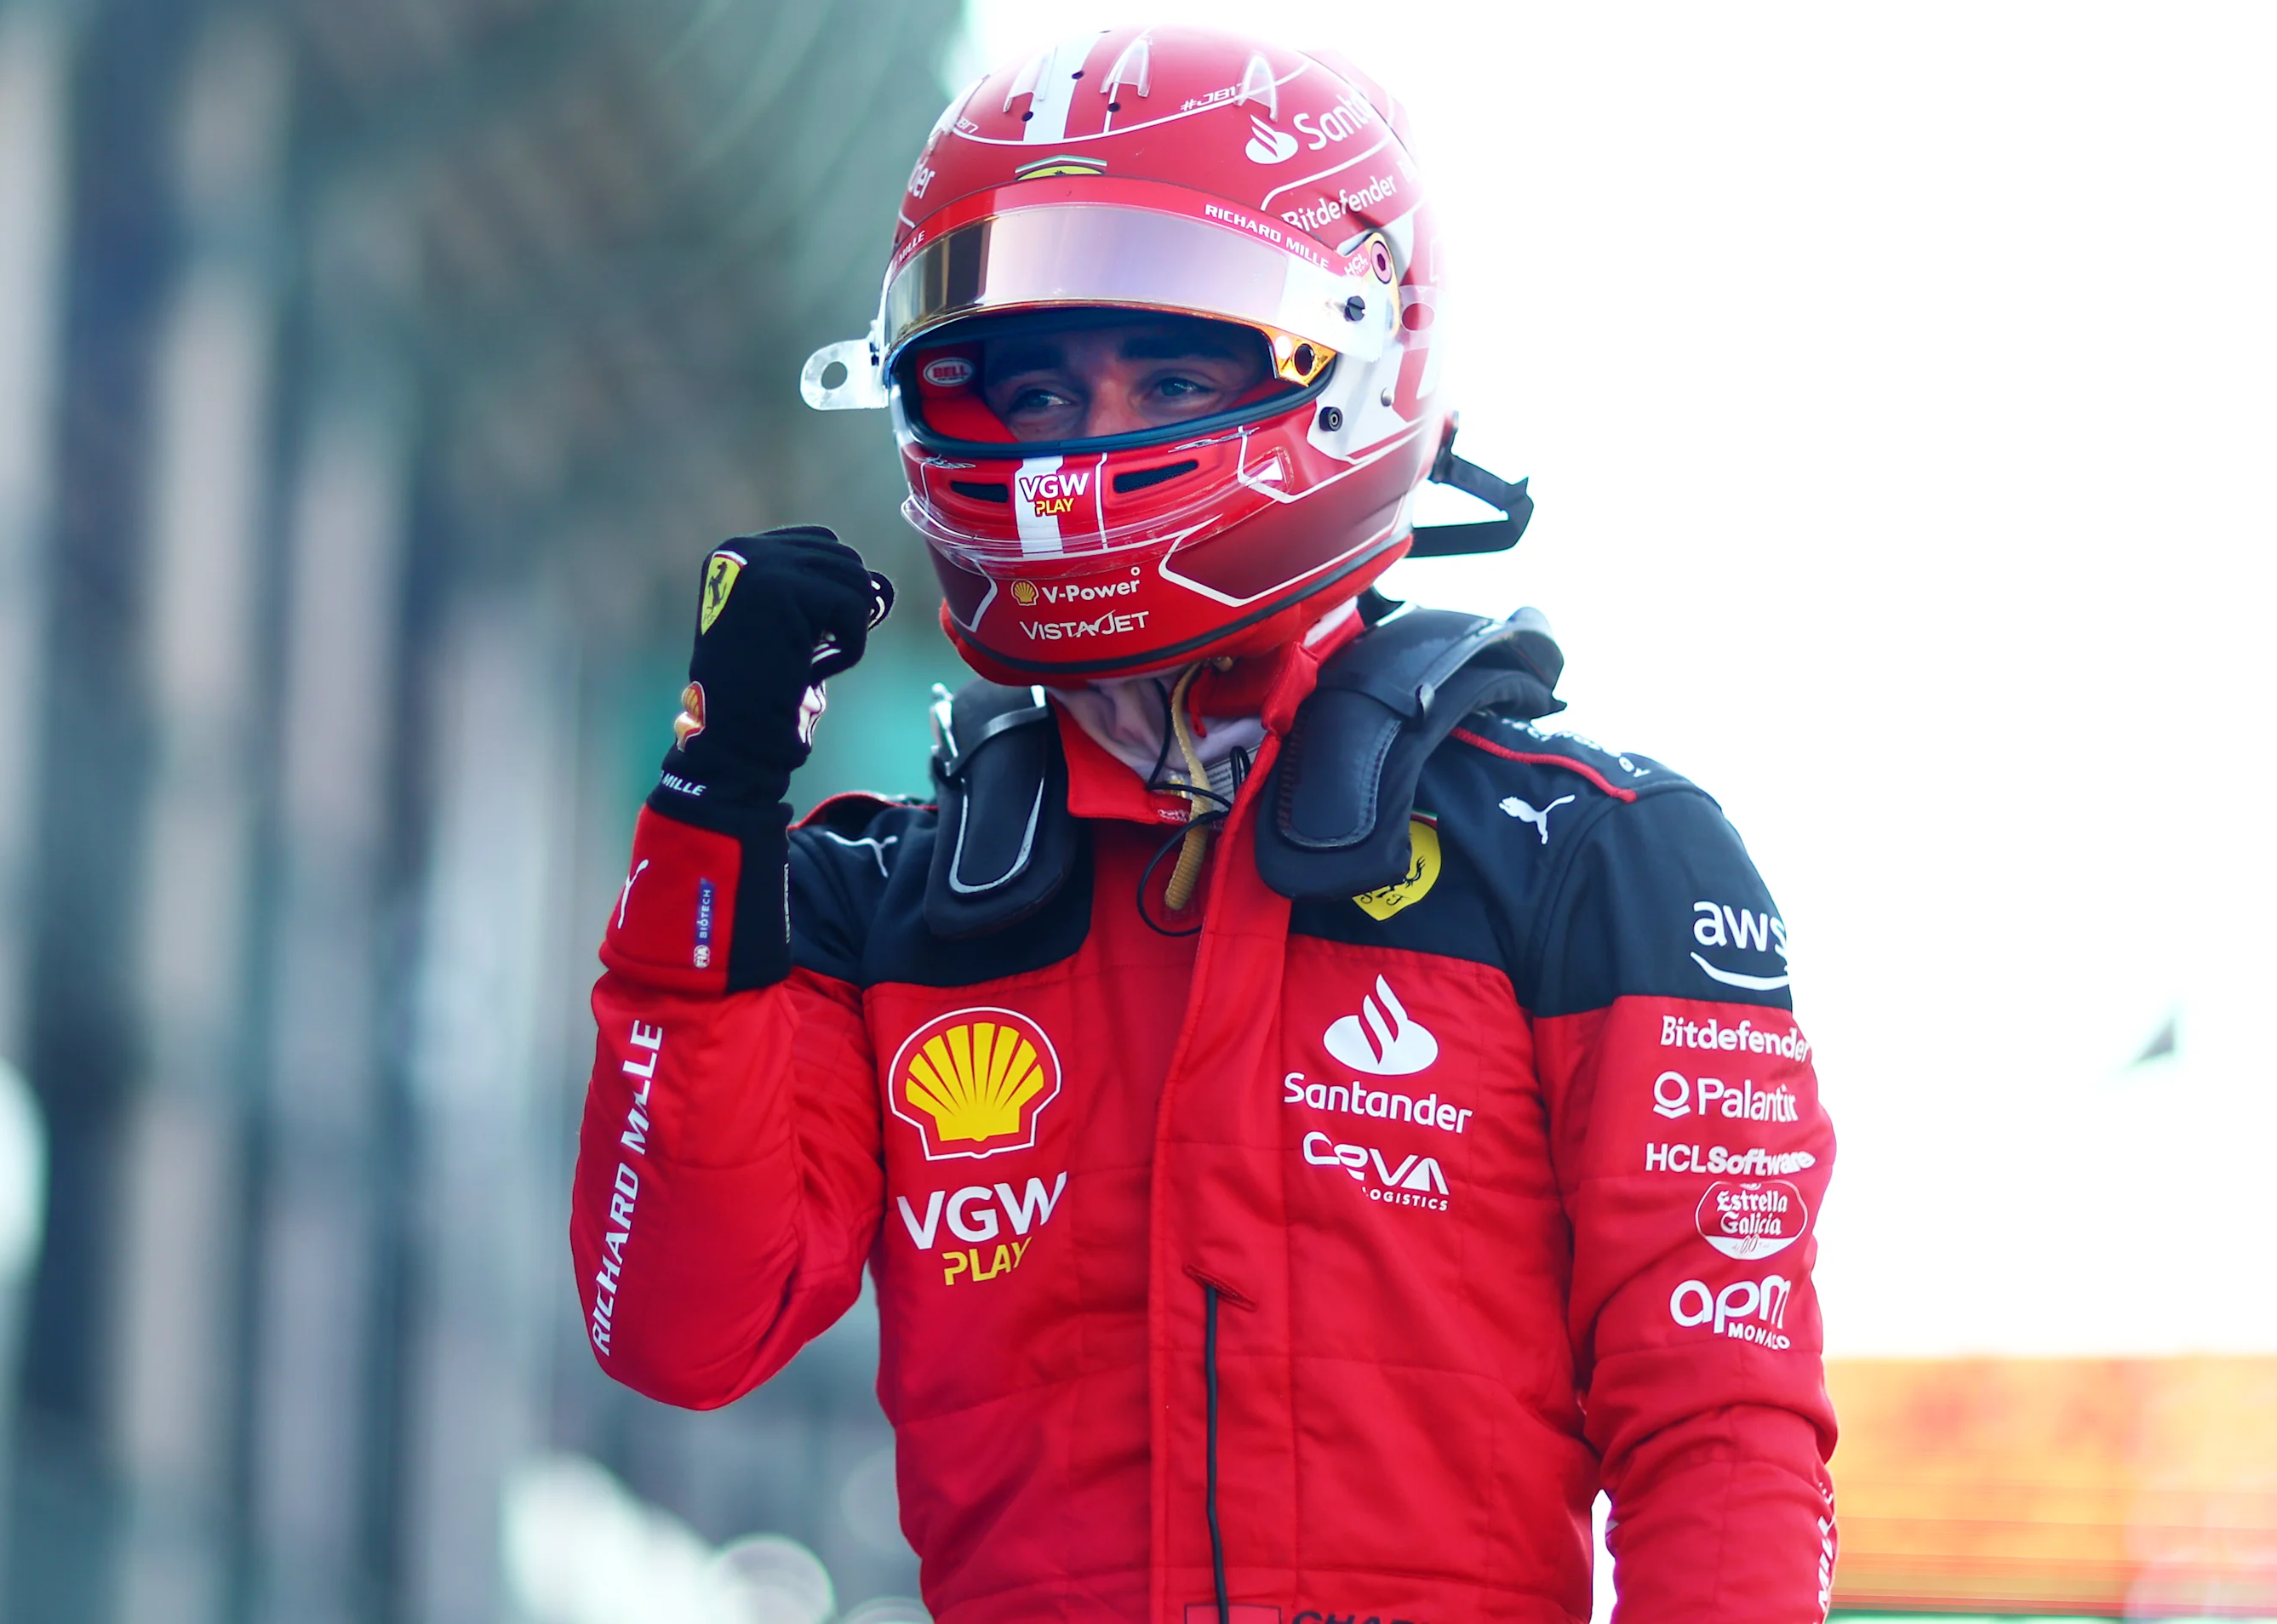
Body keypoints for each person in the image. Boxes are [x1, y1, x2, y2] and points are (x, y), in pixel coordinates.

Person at [572, 25, 1837, 1623]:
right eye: (1031, 385)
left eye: (1170, 374)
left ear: (1363, 357)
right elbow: (675, 1330)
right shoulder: (874, 902)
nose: (1080, 443)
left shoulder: (1597, 856)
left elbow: (1722, 1437)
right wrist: (716, 803)